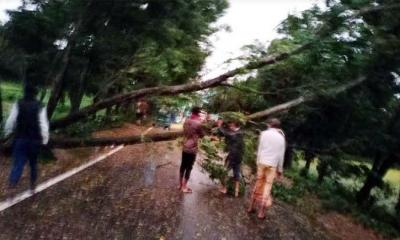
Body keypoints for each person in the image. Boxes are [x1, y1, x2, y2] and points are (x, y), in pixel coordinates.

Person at [4, 84, 49, 191]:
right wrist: (45, 139)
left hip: (20, 138)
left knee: (18, 163)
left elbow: (11, 121)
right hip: (35, 140)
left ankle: (12, 183)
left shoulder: (18, 104)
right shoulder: (40, 106)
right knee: (33, 164)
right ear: (36, 94)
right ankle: (33, 185)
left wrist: (8, 132)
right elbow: (43, 124)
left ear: (24, 92)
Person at [247, 118, 286, 219]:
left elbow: (260, 149)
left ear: (270, 125)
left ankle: (251, 207)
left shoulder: (264, 134)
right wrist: (280, 169)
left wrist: (257, 162)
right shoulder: (281, 138)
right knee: (267, 187)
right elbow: (281, 155)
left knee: (258, 183)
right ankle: (261, 212)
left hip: (262, 162)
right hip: (272, 165)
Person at [179, 106, 204, 193]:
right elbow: (202, 135)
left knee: (183, 166)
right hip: (192, 149)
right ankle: (184, 187)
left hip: (184, 146)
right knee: (189, 168)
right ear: (198, 113)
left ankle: (180, 185)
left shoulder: (186, 120)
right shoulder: (199, 123)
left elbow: (184, 131)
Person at [217, 120, 244, 197]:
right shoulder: (241, 132)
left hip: (232, 156)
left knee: (224, 171)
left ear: (235, 125)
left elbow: (226, 133)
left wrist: (220, 126)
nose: (230, 126)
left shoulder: (234, 134)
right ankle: (236, 191)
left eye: (231, 125)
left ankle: (224, 188)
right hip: (239, 156)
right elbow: (228, 132)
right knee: (237, 172)